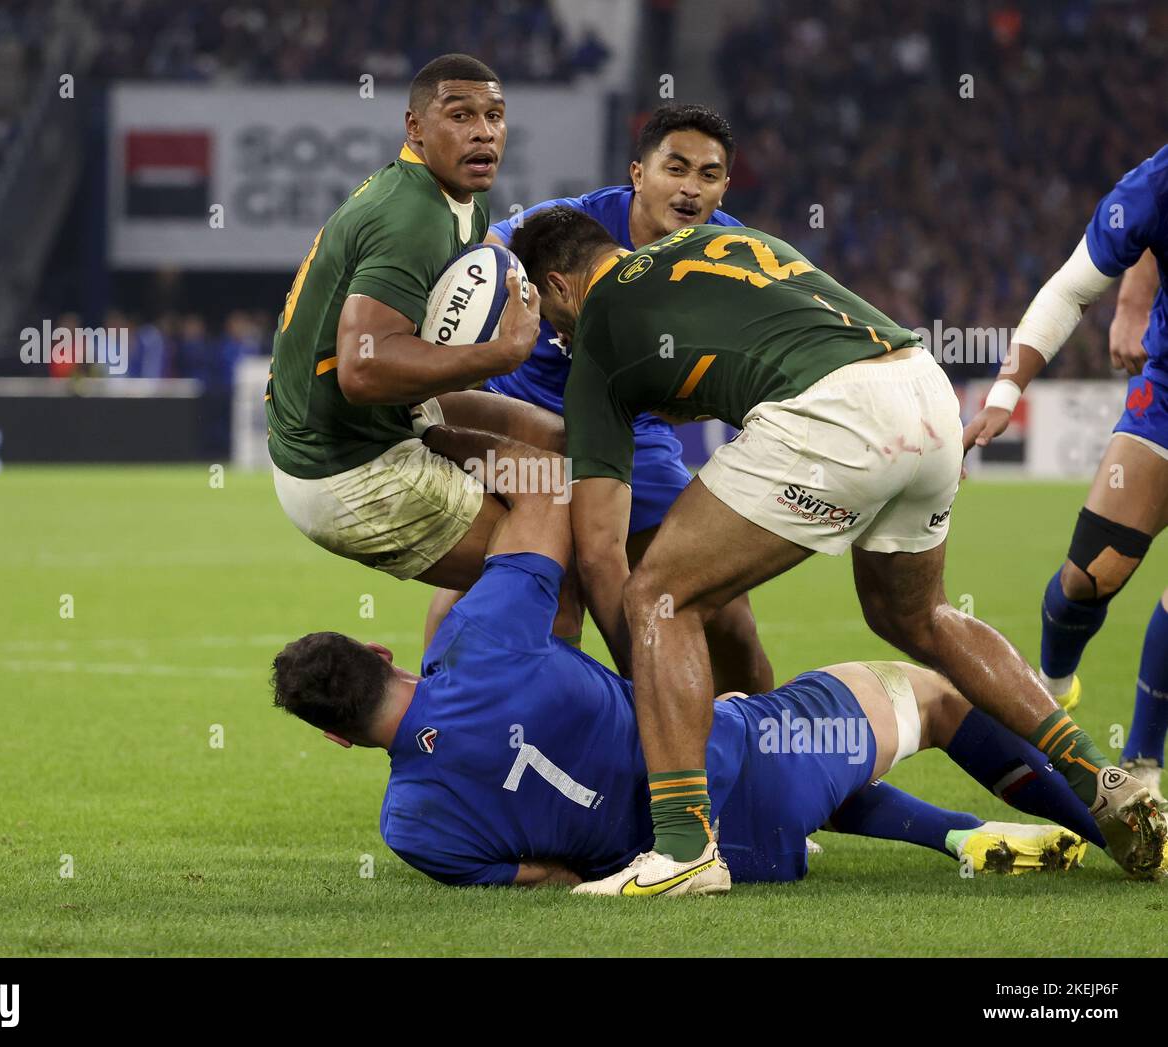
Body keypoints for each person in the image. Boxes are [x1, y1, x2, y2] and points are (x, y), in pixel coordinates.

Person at [506, 206, 1165, 893]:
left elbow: (601, 554)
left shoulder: (598, 334)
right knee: (921, 616)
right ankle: (1100, 774)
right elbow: (737, 348)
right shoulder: (709, 242)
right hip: (922, 387)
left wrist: (644, 677)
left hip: (833, 416)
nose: (552, 332)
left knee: (658, 597)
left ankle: (682, 849)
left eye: (542, 310)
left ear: (557, 283)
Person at [270, 447, 1103, 892]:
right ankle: (1121, 828)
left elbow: (544, 876)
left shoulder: (409, 830)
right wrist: (438, 430)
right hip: (746, 762)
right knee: (938, 696)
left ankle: (961, 835)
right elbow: (542, 495)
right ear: (380, 652)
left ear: (338, 739)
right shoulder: (482, 640)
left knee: (801, 773)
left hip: (737, 858)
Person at [428, 103, 772, 691]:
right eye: (676, 168)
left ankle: (765, 750)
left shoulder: (730, 254)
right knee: (505, 595)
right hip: (523, 419)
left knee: (725, 615)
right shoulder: (570, 225)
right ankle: (455, 735)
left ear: (724, 187)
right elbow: (481, 258)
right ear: (638, 173)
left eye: (708, 175)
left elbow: (756, 359)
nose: (690, 189)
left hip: (633, 431)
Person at [264, 52, 550, 593]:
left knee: (564, 446)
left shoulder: (461, 201)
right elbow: (362, 371)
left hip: (381, 422)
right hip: (343, 467)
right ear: (414, 127)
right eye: (460, 116)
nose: (483, 133)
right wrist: (501, 354)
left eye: (494, 115)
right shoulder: (410, 216)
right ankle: (475, 676)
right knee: (548, 571)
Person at [964, 144, 1168, 804]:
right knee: (1089, 575)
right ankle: (1052, 688)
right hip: (1164, 392)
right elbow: (1070, 290)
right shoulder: (1154, 187)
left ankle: (1141, 772)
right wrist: (1003, 394)